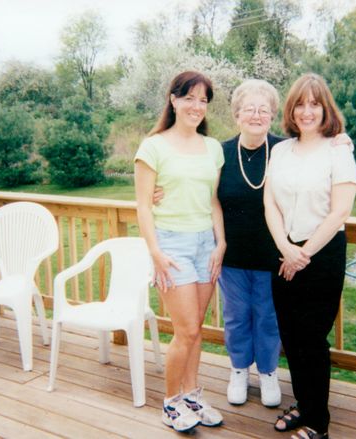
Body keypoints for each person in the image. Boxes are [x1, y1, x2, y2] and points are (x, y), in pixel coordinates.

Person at [264, 73, 356, 439]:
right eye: (300, 104)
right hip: (284, 251)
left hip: (321, 254)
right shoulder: (281, 150)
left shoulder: (339, 149)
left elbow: (340, 211)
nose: (307, 111)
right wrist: (286, 248)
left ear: (325, 109)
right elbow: (269, 202)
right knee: (291, 336)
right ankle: (305, 404)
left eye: (314, 104)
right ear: (292, 109)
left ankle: (319, 424)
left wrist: (302, 254)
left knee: (312, 339)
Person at [134, 71, 226, 433]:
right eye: (189, 98)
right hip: (171, 245)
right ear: (173, 100)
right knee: (185, 330)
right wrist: (155, 252)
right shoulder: (153, 146)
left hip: (206, 243)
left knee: (196, 330)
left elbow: (214, 200)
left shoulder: (213, 147)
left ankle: (192, 396)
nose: (197, 106)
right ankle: (171, 403)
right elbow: (143, 206)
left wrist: (221, 243)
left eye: (203, 100)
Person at [217, 79, 285, 407]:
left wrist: (340, 142)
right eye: (249, 109)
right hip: (232, 256)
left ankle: (269, 372)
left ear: (272, 115)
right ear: (237, 115)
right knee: (236, 316)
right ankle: (239, 369)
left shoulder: (285, 150)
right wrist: (159, 192)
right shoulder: (220, 153)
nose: (256, 115)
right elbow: (194, 186)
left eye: (263, 110)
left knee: (268, 316)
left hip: (273, 256)